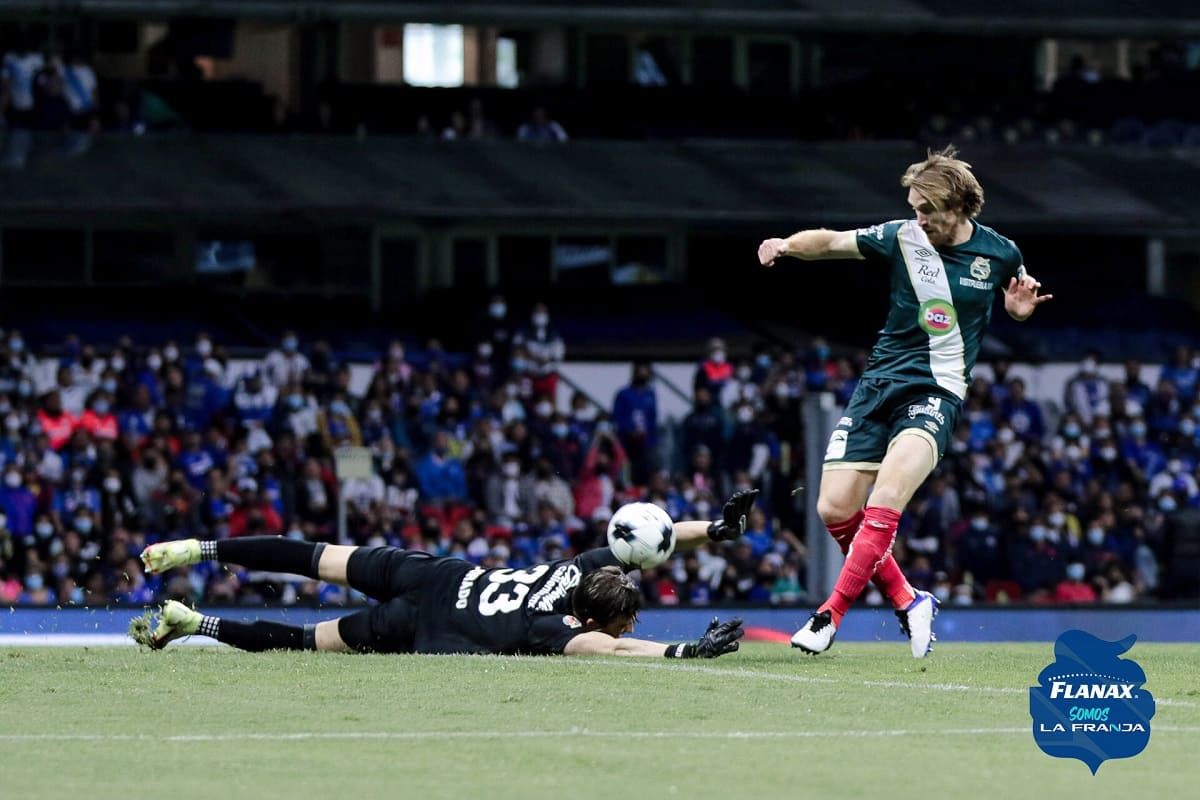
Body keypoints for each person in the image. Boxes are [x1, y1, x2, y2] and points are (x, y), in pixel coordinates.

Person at [757, 146, 1052, 658]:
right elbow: (830, 241)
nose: (917, 218)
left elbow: (1016, 297)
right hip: (878, 385)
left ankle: (829, 617)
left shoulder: (1000, 253)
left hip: (936, 391)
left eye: (926, 211)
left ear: (957, 207)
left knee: (885, 498)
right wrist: (787, 244)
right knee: (833, 508)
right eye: (914, 208)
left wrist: (1017, 310)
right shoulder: (901, 237)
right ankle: (909, 600)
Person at [133, 491, 757, 658]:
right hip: (420, 620)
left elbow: (640, 542)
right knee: (306, 641)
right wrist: (683, 650)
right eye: (627, 621)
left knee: (312, 557)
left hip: (434, 574)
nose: (630, 625)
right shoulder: (553, 629)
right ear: (593, 619)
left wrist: (717, 530)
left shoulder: (580, 568)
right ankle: (195, 620)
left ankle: (197, 548)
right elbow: (608, 647)